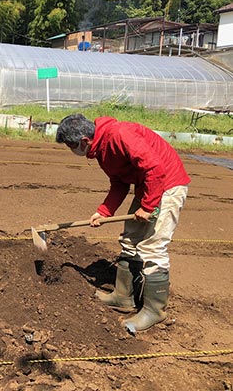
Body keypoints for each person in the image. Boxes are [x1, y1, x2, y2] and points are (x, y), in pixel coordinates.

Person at [55, 114, 190, 333]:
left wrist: (148, 206)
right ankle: (123, 297)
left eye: (71, 145)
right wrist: (103, 211)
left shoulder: (119, 134)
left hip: (167, 184)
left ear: (84, 140)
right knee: (129, 240)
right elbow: (119, 182)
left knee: (153, 247)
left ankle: (155, 311)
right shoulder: (100, 149)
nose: (71, 150)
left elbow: (155, 168)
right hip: (148, 186)